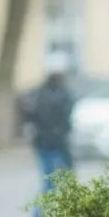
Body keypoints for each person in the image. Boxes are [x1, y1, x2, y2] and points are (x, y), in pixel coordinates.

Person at [29, 54, 75, 196]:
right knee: (61, 181)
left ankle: (39, 216)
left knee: (50, 180)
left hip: (43, 142)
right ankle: (40, 216)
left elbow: (32, 118)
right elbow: (65, 120)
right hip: (56, 143)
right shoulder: (62, 94)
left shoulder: (39, 93)